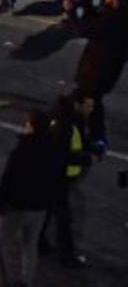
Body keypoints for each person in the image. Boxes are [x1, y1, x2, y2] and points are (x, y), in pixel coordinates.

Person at [0, 110, 64, 287]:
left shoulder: (21, 151)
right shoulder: (53, 149)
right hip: (40, 207)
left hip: (18, 207)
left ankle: (2, 282)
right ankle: (27, 280)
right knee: (30, 245)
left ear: (31, 127)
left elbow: (8, 180)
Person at [40, 92, 97, 269]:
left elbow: (79, 142)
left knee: (48, 210)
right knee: (63, 218)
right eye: (88, 105)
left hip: (57, 175)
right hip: (56, 176)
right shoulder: (65, 124)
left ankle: (39, 241)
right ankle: (66, 256)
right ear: (77, 105)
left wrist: (91, 149)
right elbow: (61, 155)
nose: (91, 109)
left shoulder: (74, 120)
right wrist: (86, 159)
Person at [73, 0, 128, 152]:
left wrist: (72, 12)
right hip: (106, 72)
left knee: (83, 100)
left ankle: (85, 135)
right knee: (93, 102)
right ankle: (96, 136)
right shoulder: (118, 17)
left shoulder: (112, 20)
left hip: (95, 71)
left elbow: (87, 29)